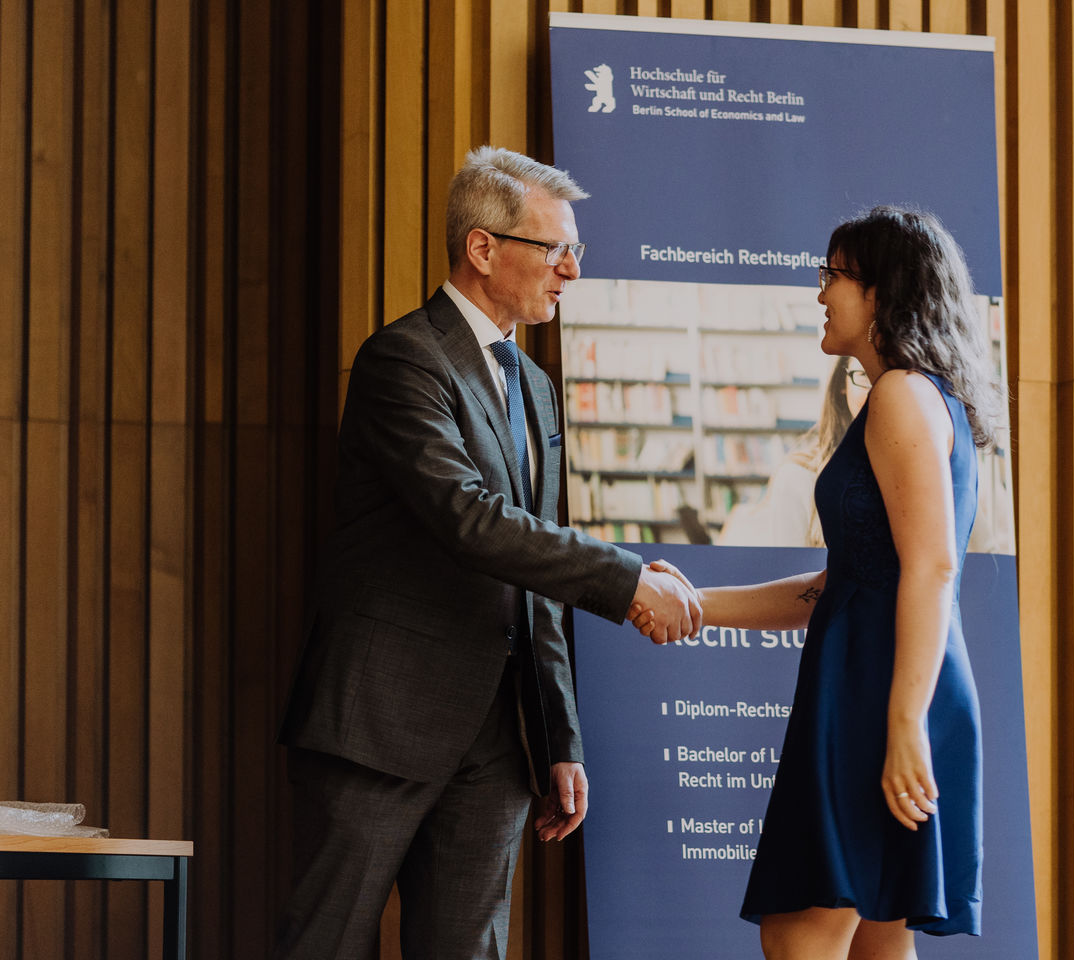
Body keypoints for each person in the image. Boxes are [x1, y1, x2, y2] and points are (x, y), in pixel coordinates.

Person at [276, 146, 700, 960]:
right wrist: (626, 579)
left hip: (497, 744)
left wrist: (559, 739)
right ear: (482, 248)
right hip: (380, 724)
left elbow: (528, 575)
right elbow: (470, 521)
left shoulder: (535, 386)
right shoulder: (402, 360)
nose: (572, 271)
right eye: (556, 250)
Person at [633, 206, 1005, 959]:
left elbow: (932, 569)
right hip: (885, 687)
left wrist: (902, 725)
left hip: (881, 698)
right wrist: (698, 606)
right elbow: (846, 583)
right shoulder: (918, 398)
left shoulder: (900, 393)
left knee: (799, 933)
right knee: (875, 945)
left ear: (883, 293)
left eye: (834, 275)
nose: (820, 293)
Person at [715, 355, 869, 547]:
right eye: (864, 375)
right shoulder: (798, 478)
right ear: (842, 384)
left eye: (890, 374)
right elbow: (791, 572)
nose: (878, 391)